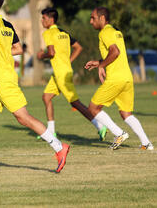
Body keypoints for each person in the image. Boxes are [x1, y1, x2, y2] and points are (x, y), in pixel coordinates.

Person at [0, 0, 70, 174]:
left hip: (4, 80)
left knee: (23, 117)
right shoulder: (7, 25)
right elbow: (17, 49)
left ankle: (59, 147)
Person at [85, 7, 153, 150]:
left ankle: (119, 133)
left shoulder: (105, 32)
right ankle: (146, 143)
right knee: (125, 113)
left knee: (93, 108)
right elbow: (116, 54)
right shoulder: (116, 32)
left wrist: (101, 66)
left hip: (115, 78)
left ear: (102, 18)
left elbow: (115, 52)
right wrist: (99, 62)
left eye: (93, 18)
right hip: (127, 78)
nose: (91, 22)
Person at [37, 8, 108, 140]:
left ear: (51, 20)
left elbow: (51, 53)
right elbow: (78, 47)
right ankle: (51, 132)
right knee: (46, 97)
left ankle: (100, 126)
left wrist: (42, 55)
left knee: (75, 103)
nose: (42, 21)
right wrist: (68, 61)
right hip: (63, 72)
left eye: (44, 18)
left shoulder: (48, 33)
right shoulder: (64, 33)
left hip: (61, 75)